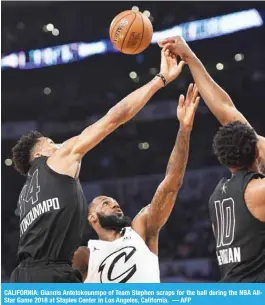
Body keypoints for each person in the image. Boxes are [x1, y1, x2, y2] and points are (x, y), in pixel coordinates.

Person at [10, 48, 185, 283]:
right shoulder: (57, 159)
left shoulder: (26, 194)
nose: (59, 144)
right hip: (52, 275)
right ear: (40, 152)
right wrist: (160, 79)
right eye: (52, 143)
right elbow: (114, 118)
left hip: (21, 277)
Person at [159, 37, 265, 282]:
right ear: (256, 153)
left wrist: (190, 58)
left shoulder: (217, 193)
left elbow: (227, 111)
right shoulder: (257, 190)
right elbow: (227, 110)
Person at [72, 84, 200, 283]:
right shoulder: (85, 255)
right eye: (105, 203)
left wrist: (184, 129)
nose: (115, 204)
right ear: (92, 218)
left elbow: (170, 185)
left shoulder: (141, 231)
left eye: (114, 202)